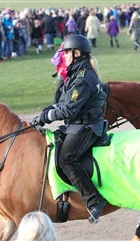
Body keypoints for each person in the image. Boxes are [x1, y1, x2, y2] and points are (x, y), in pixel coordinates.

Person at [32, 34, 107, 223]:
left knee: (67, 158)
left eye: (66, 53)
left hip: (87, 126)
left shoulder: (83, 78)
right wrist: (47, 111)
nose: (64, 56)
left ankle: (94, 201)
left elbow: (69, 110)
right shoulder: (75, 74)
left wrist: (46, 117)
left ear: (77, 53)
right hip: (77, 124)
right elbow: (62, 103)